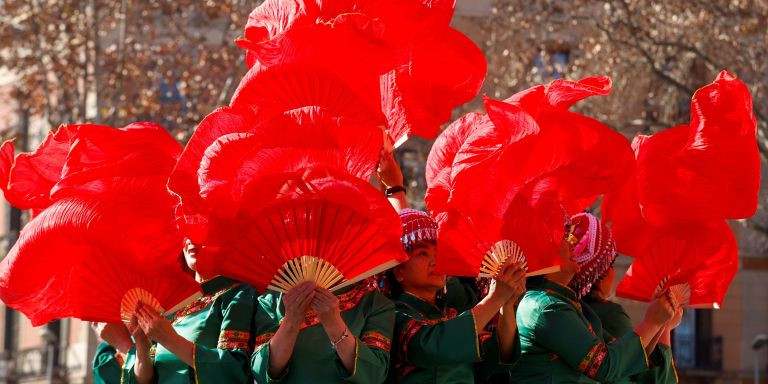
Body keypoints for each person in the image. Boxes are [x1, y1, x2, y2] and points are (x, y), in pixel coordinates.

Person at [511, 221, 677, 383]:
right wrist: (653, 322)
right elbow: (603, 365)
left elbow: (620, 351)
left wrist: (660, 321)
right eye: (563, 238)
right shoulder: (545, 307)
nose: (571, 245)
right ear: (544, 254)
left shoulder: (563, 303)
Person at [382, 209, 525, 383]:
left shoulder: (450, 314)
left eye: (438, 252)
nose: (436, 261)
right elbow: (435, 346)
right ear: (398, 272)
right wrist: (495, 298)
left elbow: (501, 353)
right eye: (422, 253)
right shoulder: (395, 315)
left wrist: (506, 304)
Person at [119, 239, 258, 384]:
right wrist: (142, 344)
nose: (192, 240)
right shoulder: (173, 304)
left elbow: (234, 371)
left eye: (200, 231)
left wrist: (170, 339)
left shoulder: (239, 295)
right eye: (186, 232)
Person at [570, 213, 681, 383]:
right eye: (610, 264)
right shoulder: (609, 314)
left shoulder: (567, 306)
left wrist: (660, 323)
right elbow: (650, 378)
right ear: (601, 272)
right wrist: (662, 325)